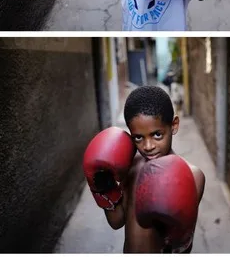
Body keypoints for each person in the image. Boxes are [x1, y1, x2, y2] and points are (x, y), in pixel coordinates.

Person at [83, 86, 206, 253]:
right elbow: (117, 222)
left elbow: (182, 246)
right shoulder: (132, 166)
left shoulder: (192, 175)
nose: (148, 146)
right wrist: (105, 190)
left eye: (157, 135)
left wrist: (177, 235)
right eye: (138, 137)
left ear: (174, 125)